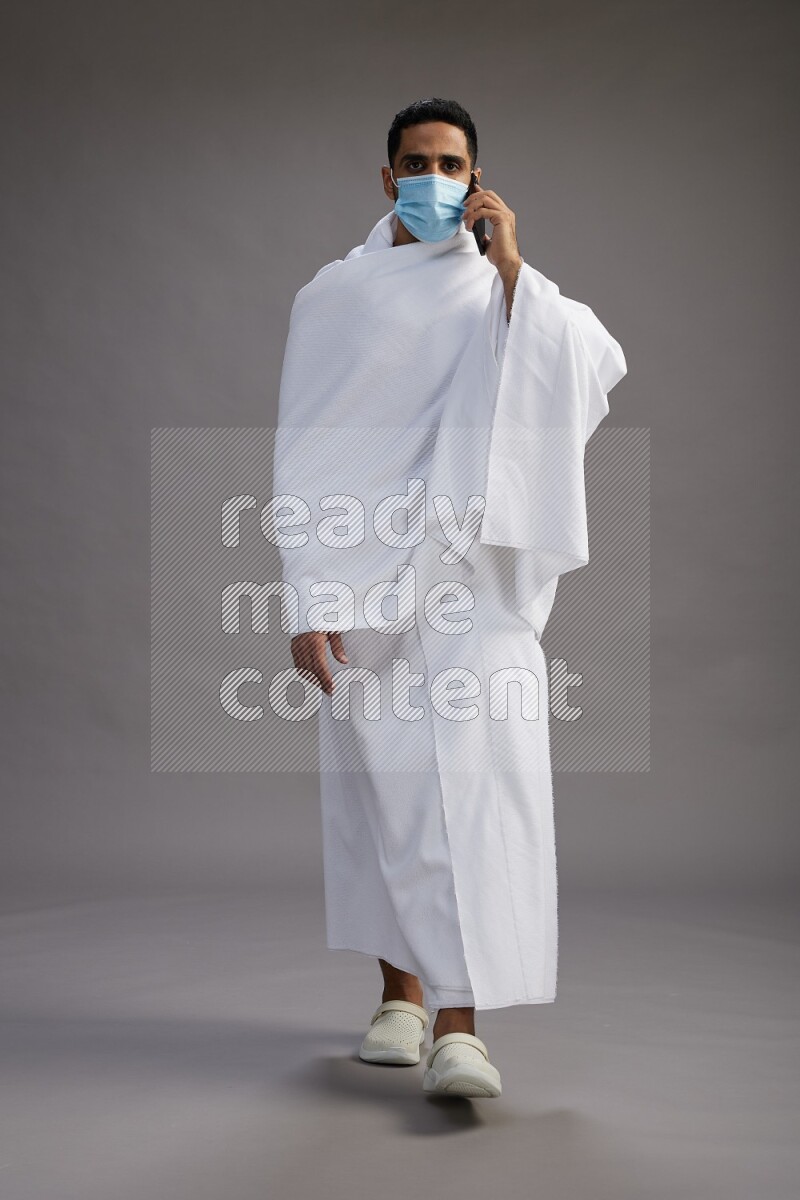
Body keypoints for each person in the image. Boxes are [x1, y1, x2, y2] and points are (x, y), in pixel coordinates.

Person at [273, 97, 627, 1098]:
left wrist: (511, 268)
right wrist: (307, 594)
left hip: (470, 583)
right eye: (416, 163)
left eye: (451, 163)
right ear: (386, 177)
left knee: (471, 793)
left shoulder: (498, 289)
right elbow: (307, 447)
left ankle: (461, 1029)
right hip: (361, 581)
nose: (434, 179)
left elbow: (589, 361)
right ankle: (401, 998)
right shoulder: (335, 298)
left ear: (476, 178)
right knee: (382, 794)